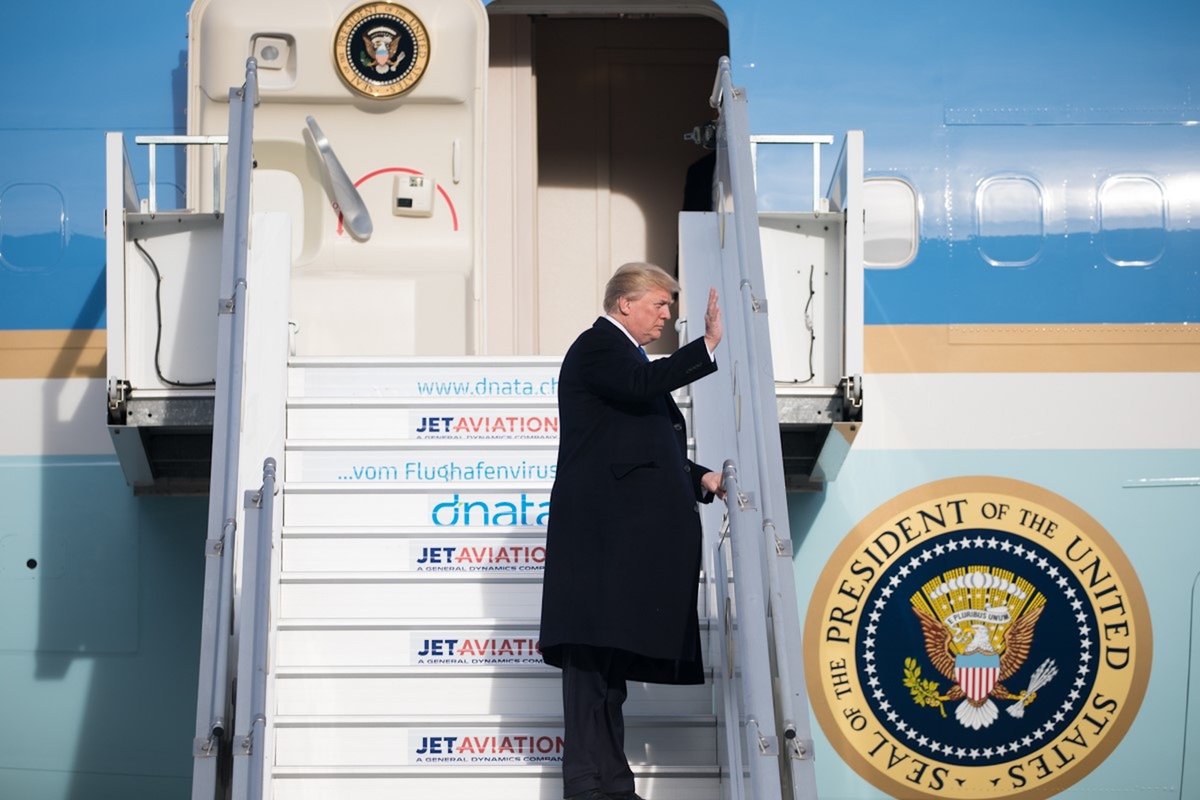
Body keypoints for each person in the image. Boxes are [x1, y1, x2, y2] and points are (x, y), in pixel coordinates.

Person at [539, 262, 725, 800]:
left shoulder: (627, 360)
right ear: (625, 303)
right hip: (597, 542)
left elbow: (645, 448)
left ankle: (612, 786)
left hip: (615, 546)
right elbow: (642, 384)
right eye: (659, 305)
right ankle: (588, 786)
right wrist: (706, 346)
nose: (668, 316)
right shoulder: (599, 347)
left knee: (608, 676)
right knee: (588, 673)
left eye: (670, 306)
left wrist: (701, 478)